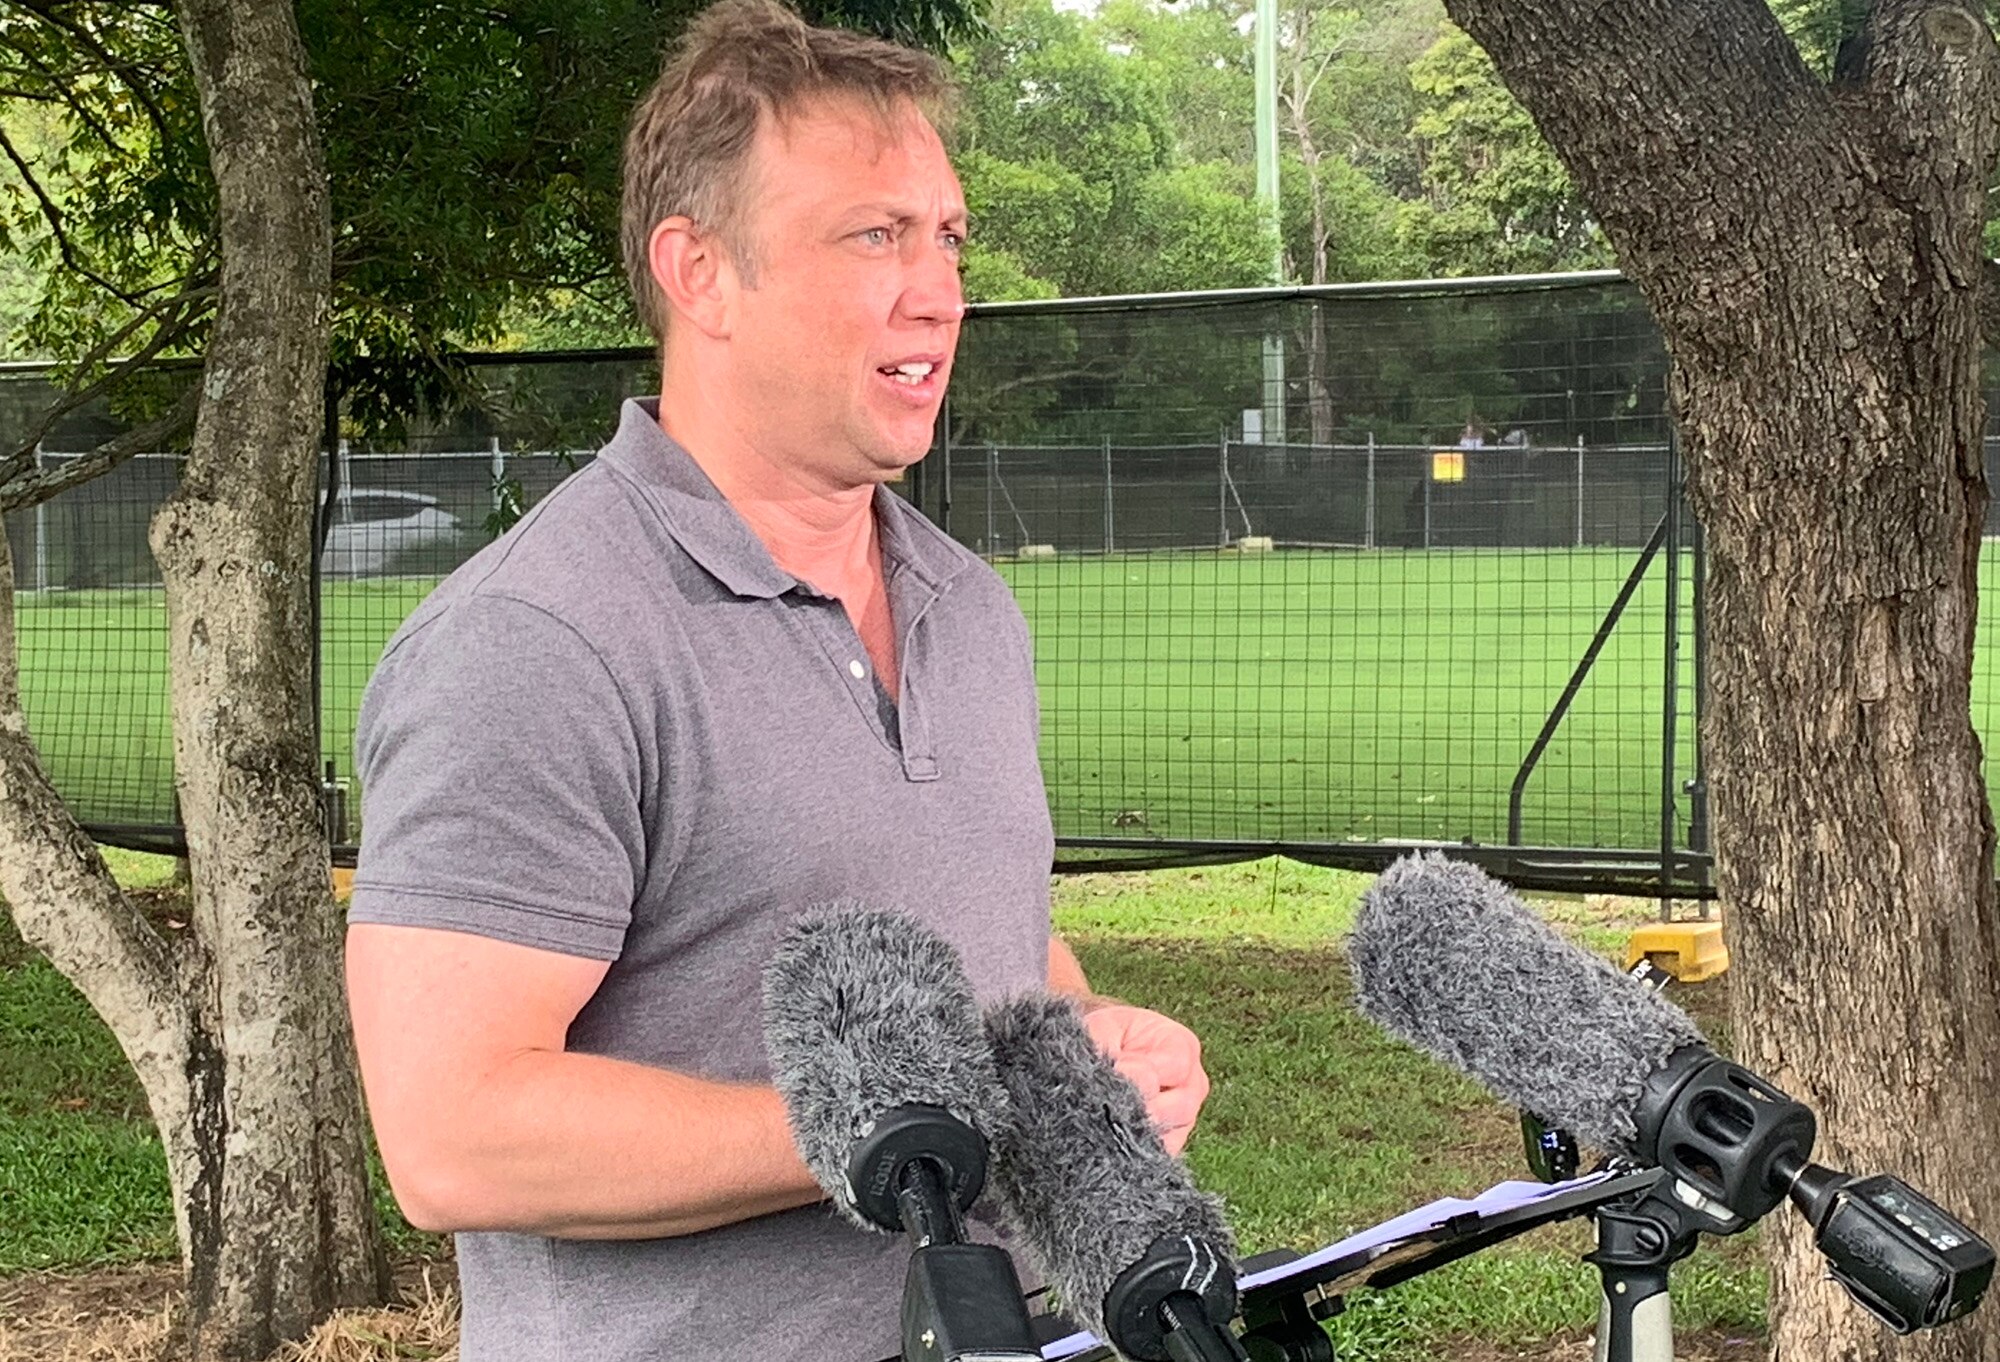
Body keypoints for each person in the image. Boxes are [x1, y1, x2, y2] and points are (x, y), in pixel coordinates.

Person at [341, 4, 1211, 1360]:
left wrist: (1086, 1046)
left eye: (950, 237)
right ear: (701, 273)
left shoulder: (972, 611)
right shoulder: (536, 639)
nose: (938, 288)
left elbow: (996, 944)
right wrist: (899, 1127)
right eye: (876, 234)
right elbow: (453, 1131)